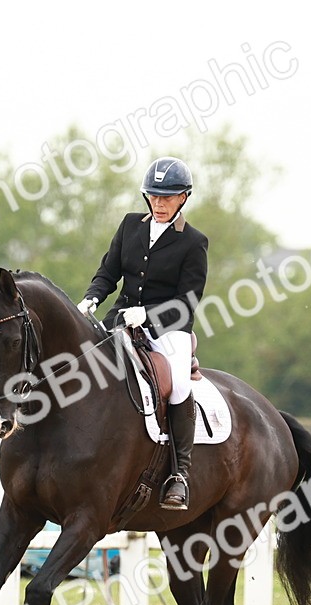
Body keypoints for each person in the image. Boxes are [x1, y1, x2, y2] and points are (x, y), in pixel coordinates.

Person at [78, 156, 208, 511]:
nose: (159, 203)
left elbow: (189, 300)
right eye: (153, 196)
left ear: (183, 197)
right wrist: (91, 297)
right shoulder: (130, 226)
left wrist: (148, 314)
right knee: (83, 361)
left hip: (170, 326)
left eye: (167, 197)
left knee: (179, 385)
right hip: (120, 318)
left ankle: (180, 474)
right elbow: (109, 271)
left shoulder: (193, 242)